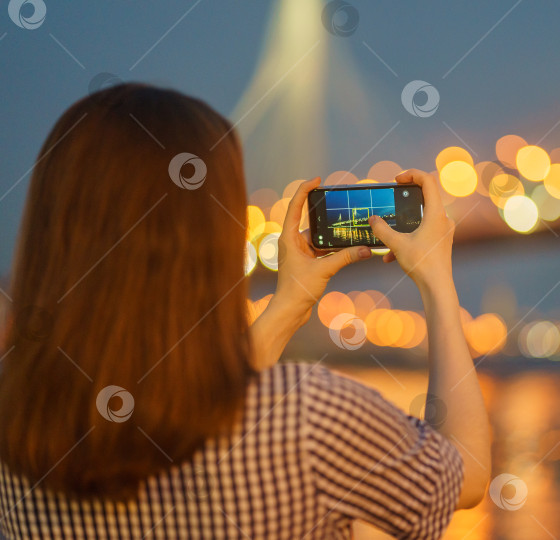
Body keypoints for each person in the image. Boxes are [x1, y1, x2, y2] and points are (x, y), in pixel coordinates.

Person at [0, 84, 491, 538]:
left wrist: (290, 305)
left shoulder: (15, 421)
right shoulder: (307, 417)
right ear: (211, 235)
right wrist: (436, 281)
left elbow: (187, 409)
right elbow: (464, 473)